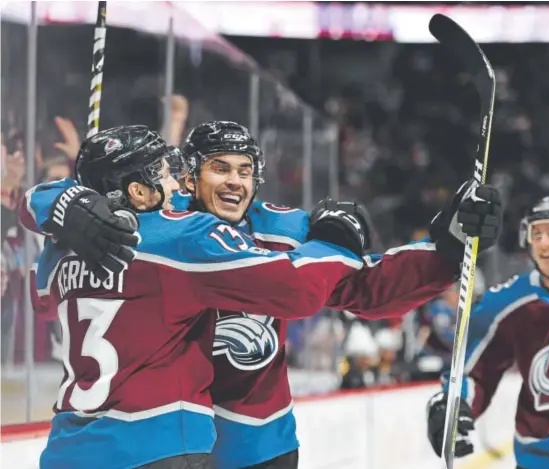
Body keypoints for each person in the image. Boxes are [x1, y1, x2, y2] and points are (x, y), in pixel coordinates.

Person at [22, 121, 503, 469]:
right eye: (218, 168)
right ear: (187, 176)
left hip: (255, 445)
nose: (234, 180)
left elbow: (368, 285)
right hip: (176, 444)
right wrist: (64, 203)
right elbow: (80, 186)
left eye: (244, 169)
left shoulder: (284, 229)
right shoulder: (169, 224)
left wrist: (449, 249)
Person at [426, 195, 549, 469]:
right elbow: (473, 371)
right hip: (541, 460)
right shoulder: (507, 302)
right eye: (536, 233)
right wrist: (452, 403)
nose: (543, 243)